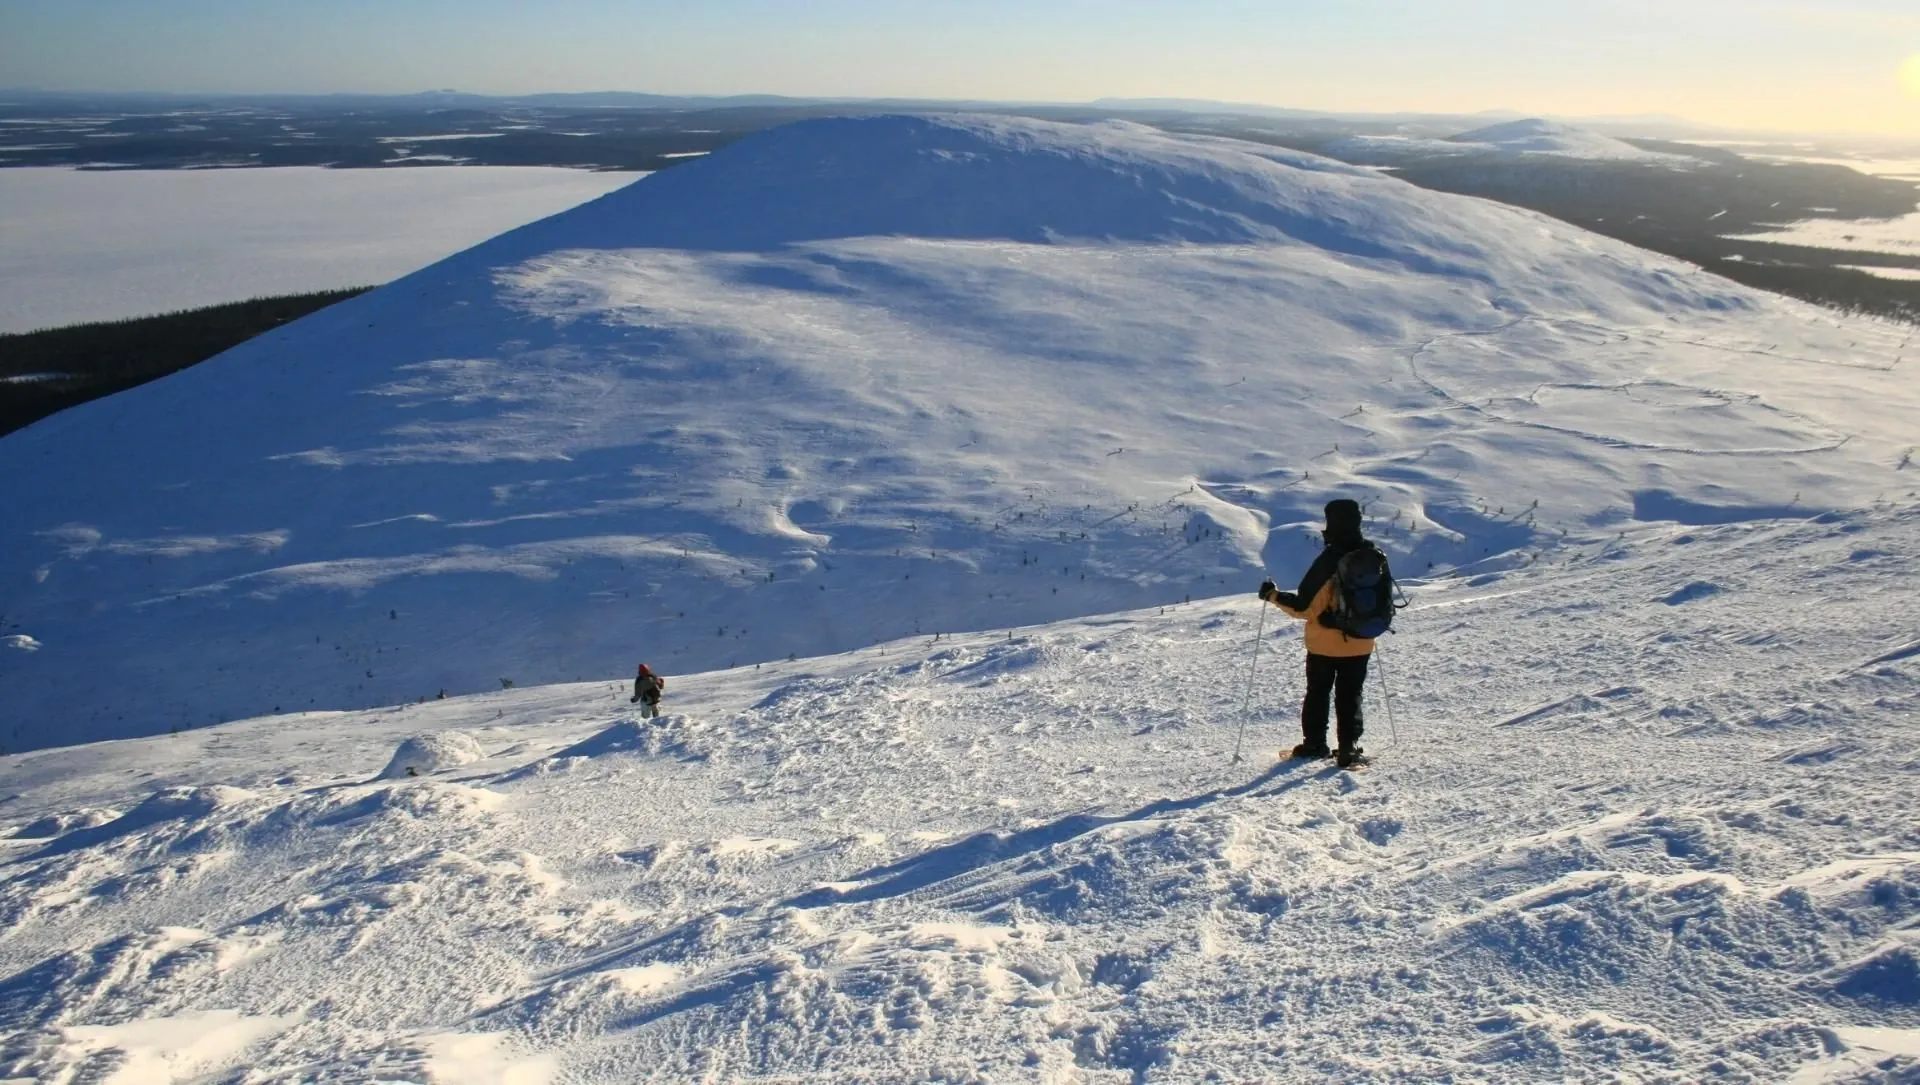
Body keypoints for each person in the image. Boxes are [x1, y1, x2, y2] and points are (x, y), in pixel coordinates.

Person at [1258, 499, 1376, 768]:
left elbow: (1304, 607)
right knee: (1351, 694)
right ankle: (1348, 749)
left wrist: (1272, 596)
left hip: (1324, 644)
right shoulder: (1373, 555)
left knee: (1318, 692)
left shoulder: (1330, 559)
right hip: (1361, 639)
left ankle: (1314, 744)